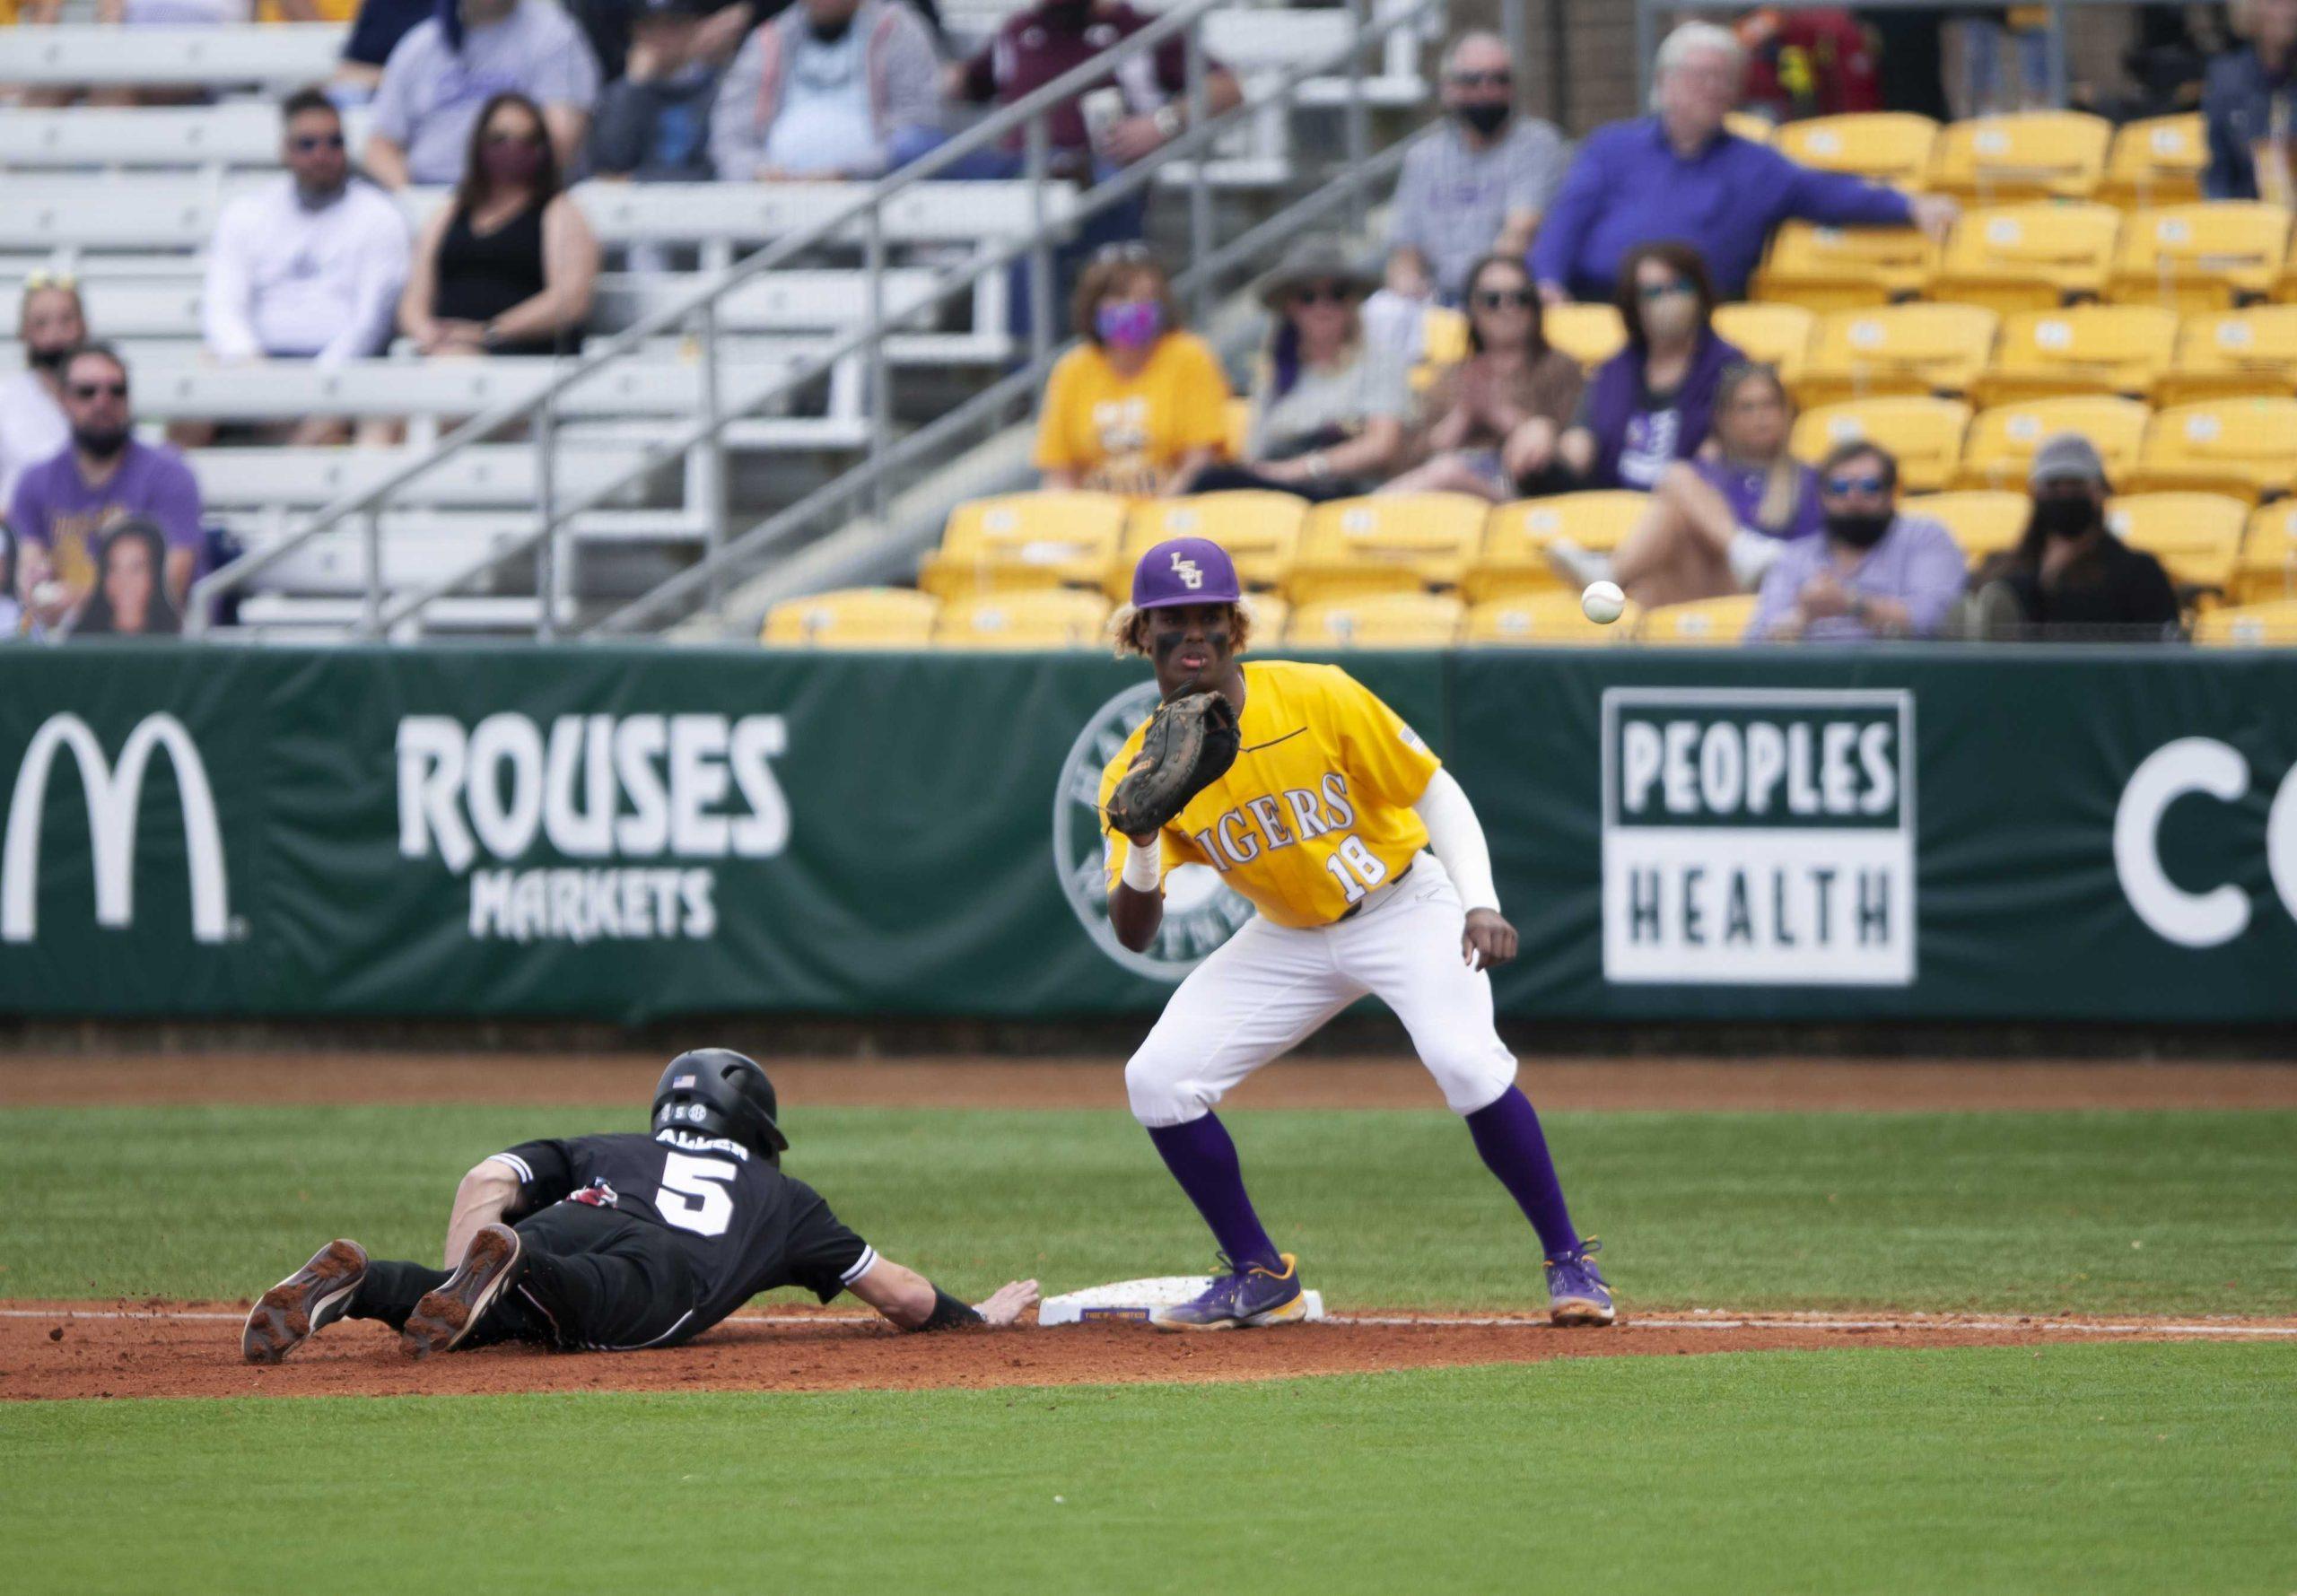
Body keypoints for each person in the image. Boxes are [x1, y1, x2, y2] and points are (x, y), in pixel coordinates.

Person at [1098, 539, 1612, 1330]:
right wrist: (1140, 837)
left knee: (1466, 1064)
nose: (1193, 635)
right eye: (1172, 621)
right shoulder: (1135, 768)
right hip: (1290, 936)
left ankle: (1569, 1260)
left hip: (1404, 904)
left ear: (1237, 628)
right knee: (1157, 1079)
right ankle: (1261, 1274)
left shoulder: (1316, 695)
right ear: (1143, 637)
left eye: (1211, 617)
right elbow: (1134, 933)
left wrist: (1480, 900)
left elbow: (1434, 791)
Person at [242, 1049, 1041, 1364]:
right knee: (580, 1300)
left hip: (573, 1211)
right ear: (755, 1129)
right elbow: (900, 1295)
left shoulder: (610, 1147)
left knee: (506, 1306)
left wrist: (461, 1274)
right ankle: (512, 1266)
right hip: (663, 1269)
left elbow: (487, 1177)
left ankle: (357, 1281)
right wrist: (979, 1320)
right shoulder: (784, 1199)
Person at [1530, 21, 1956, 302]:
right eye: (1702, 75)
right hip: (1598, 306)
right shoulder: (1611, 148)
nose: (1715, 88)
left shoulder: (1757, 166)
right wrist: (1546, 284)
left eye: (1726, 78)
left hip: (1695, 323)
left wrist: (1910, 206)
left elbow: (1828, 192)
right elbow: (1565, 223)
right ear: (1664, 82)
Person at [946, 0, 1241, 241]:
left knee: (1032, 229)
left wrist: (1162, 122)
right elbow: (965, 84)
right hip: (1016, 168)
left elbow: (1226, 89)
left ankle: (1121, 282)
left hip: (1093, 171)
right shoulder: (1018, 29)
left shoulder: (1139, 29)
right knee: (911, 146)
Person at [1546, 362, 1820, 606]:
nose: (1760, 416)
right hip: (1705, 594)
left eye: (1769, 405)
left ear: (1787, 413)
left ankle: (1611, 574)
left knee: (1676, 478)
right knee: (1673, 500)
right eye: (1747, 407)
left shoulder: (1811, 480)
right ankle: (1742, 550)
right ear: (1723, 419)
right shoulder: (1707, 476)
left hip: (1781, 593)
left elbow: (1819, 556)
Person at [202, 89, 413, 373]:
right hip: (257, 366)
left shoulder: (380, 216)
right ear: (284, 150)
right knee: (195, 399)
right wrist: (249, 363)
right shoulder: (246, 213)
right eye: (308, 144)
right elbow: (223, 304)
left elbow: (371, 320)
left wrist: (318, 380)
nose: (322, 155)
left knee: (333, 416)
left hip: (344, 375)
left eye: (334, 142)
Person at [1186, 237, 1408, 504]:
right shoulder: (1277, 368)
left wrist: (1300, 469)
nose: (1322, 307)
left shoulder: (1379, 357)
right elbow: (1255, 454)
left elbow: (1382, 445)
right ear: (1290, 306)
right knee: (1210, 483)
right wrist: (1273, 473)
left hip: (1343, 490)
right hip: (1279, 484)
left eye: (1336, 294)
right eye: (1308, 297)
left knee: (1214, 483)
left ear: (1351, 303)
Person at [11, 346, 205, 633]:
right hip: (63, 646)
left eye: (117, 390)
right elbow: (29, 569)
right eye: (87, 392)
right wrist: (36, 587)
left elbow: (169, 587)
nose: (103, 401)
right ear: (63, 400)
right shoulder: (34, 481)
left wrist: (73, 597)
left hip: (149, 648)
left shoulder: (170, 475)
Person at [401, 92, 600, 358]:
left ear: (542, 148)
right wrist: (427, 332)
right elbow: (415, 296)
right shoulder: (450, 212)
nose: (512, 149)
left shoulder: (560, 212)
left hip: (524, 355)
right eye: (499, 139)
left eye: (526, 140)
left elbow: (570, 301)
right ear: (479, 143)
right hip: (444, 349)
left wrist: (488, 333)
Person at [1382, 32, 1570, 307]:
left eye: (1500, 79)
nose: (1487, 90)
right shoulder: (1423, 158)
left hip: (1506, 297)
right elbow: (1404, 248)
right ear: (1448, 89)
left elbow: (1520, 233)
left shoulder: (1539, 145)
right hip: (1435, 300)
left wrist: (1475, 300)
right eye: (1472, 81)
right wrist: (1406, 282)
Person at [1382, 253, 1583, 501]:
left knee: (1447, 473)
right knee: (1443, 472)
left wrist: (1500, 414)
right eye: (1492, 300)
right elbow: (1408, 457)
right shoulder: (1451, 374)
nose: (1507, 309)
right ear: (1472, 309)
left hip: (1523, 495)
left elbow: (1571, 454)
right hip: (1442, 493)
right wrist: (1461, 419)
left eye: (1520, 298)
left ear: (1535, 307)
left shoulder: (1560, 367)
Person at [1034, 247, 1231, 497]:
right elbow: (1058, 474)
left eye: (1145, 297)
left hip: (1173, 510)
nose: (1133, 307)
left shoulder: (1190, 356)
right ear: (1094, 305)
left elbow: (1200, 460)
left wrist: (1153, 518)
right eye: (1121, 297)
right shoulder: (1072, 369)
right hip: (1096, 520)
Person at [1556, 241, 1742, 492]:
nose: (1668, 299)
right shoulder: (1611, 371)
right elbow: (1577, 448)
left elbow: (1725, 459)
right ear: (1633, 305)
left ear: (1701, 293)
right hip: (1609, 512)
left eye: (1680, 287)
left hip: (1690, 511)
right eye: (1653, 292)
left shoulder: (1733, 370)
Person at [365, 0, 603, 188]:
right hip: (426, 195)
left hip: (515, 199)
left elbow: (559, 143)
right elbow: (381, 146)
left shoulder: (554, 36)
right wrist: (409, 197)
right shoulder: (420, 44)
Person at [1746, 440, 1969, 642]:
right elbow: (1754, 643)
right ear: (1823, 496)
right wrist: (1803, 614)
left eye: (1869, 487)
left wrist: (1853, 605)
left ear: (1891, 492)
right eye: (1840, 487)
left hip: (1903, 675)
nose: (1854, 497)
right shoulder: (1796, 556)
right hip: (1816, 678)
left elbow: (1936, 622)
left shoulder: (1925, 537)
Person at [1968, 432, 2181, 641]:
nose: (2064, 494)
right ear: (2034, 492)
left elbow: (2159, 656)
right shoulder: (1999, 570)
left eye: (2075, 485)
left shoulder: (2139, 574)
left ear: (2101, 491)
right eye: (2053, 485)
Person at [708, 0, 939, 182]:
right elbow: (730, 138)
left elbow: (917, 128)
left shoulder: (899, 31)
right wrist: (759, 173)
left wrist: (847, 173)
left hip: (877, 196)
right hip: (771, 199)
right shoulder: (768, 40)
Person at [590, 0, 724, 182]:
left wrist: (639, 179)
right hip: (630, 206)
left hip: (705, 201)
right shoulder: (624, 90)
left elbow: (718, 166)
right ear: (635, 31)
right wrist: (633, 87)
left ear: (694, 27)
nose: (661, 36)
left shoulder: (720, 86)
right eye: (649, 26)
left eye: (673, 24)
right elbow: (609, 163)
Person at [0, 275, 83, 505]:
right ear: (24, 331)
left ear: (83, 325)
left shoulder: (103, 392)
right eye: (41, 322)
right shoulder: (5, 398)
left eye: (66, 320)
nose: (55, 333)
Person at [2203, 0, 2297, 203]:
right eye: (2275, 3)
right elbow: (2217, 170)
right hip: (2245, 217)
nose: (2288, 11)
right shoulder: (2226, 79)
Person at [65, 518, 181, 639]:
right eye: (113, 568)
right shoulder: (80, 638)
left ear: (155, 573)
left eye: (136, 568)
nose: (123, 582)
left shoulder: (177, 638)